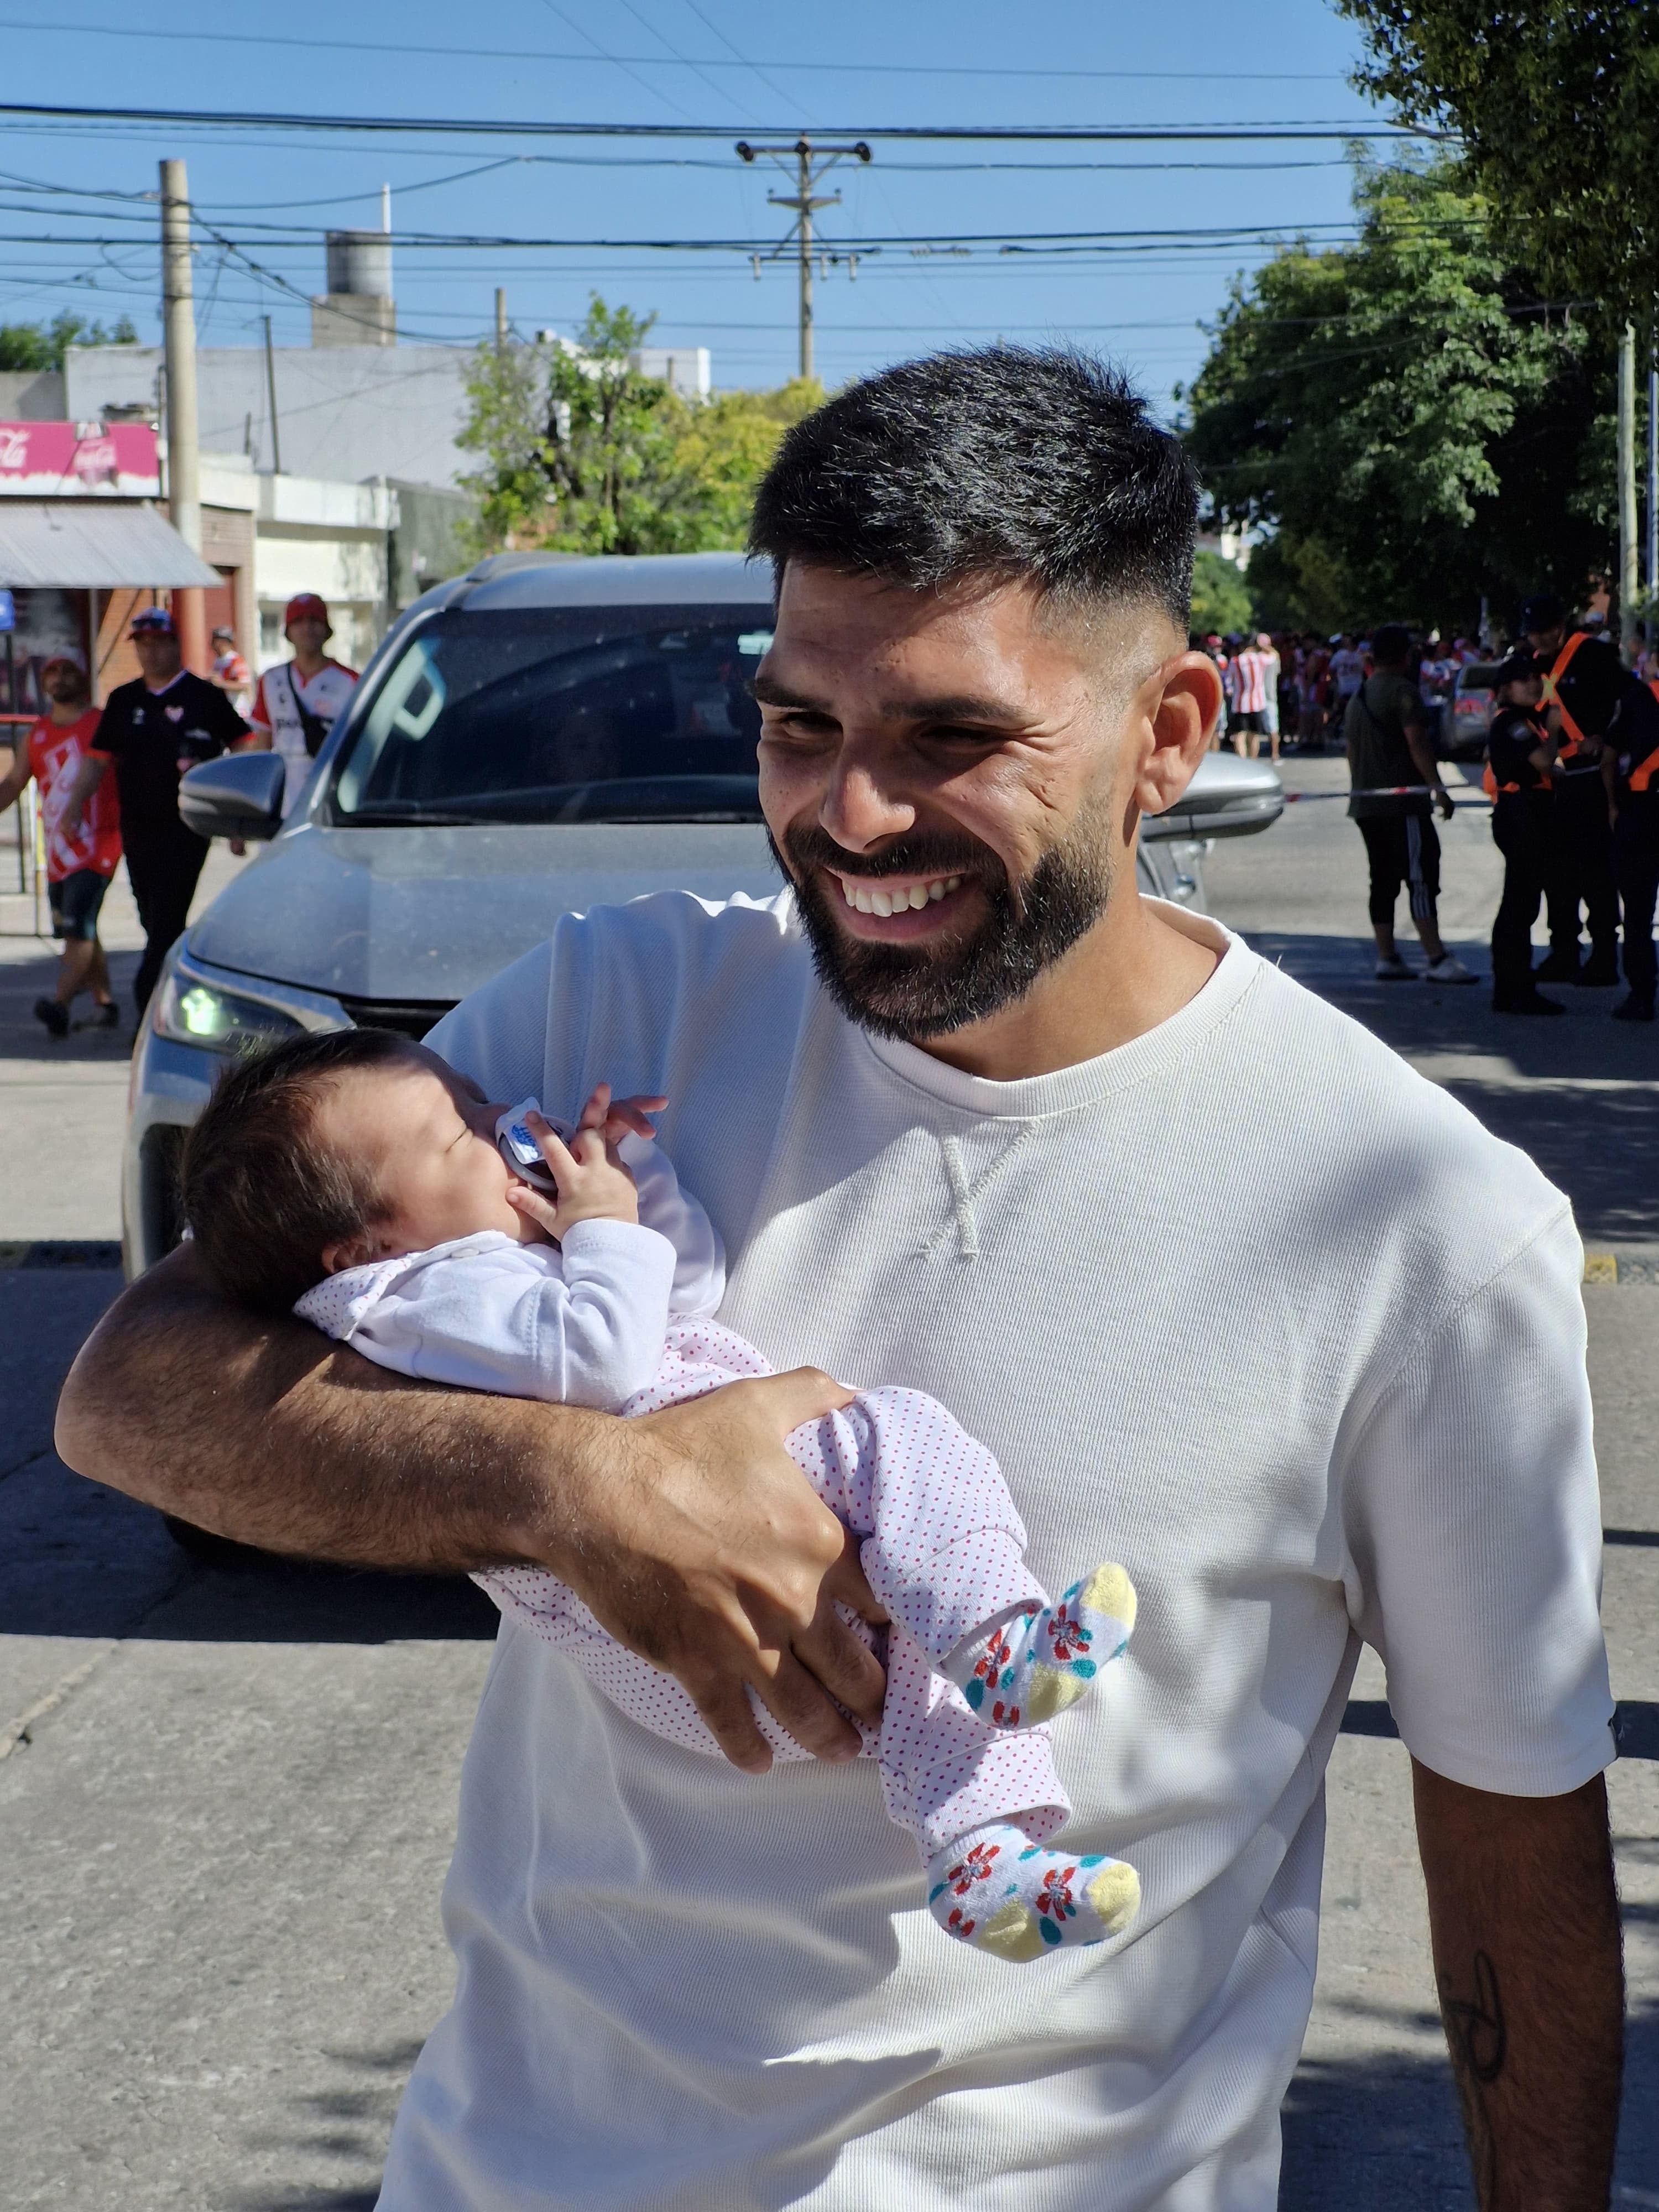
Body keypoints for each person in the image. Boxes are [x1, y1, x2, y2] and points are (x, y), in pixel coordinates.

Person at [57, 349, 1620, 2211]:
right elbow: (128, 1393)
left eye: (951, 742)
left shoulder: (1420, 1225)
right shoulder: (622, 1005)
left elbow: (1511, 1837)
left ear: (1172, 732)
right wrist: (580, 1485)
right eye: (800, 726)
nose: (849, 817)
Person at [182, 1028, 1142, 1962]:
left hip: (741, 1584)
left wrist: (633, 1187)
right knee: (903, 1433)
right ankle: (1000, 1635)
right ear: (359, 1249)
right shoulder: (415, 1298)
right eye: (460, 1138)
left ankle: (982, 1857)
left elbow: (684, 1289)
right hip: (694, 1612)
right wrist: (599, 1227)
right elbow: (601, 1360)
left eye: (476, 1101)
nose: (505, 1125)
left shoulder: (481, 1255)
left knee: (917, 1677)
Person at [63, 606, 249, 1022]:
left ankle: (149, 1007)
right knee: (153, 920)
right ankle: (181, 990)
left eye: (158, 643)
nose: (150, 653)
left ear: (175, 644)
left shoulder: (204, 696)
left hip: (189, 827)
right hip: (138, 828)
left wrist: (238, 814)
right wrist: (73, 807)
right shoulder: (124, 699)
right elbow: (96, 761)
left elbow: (245, 743)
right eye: (142, 645)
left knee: (166, 917)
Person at [1343, 623, 1475, 982]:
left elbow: (1351, 751)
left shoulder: (1361, 694)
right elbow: (1418, 743)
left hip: (1367, 805)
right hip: (1403, 807)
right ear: (1406, 655)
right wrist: (1438, 789)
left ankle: (1387, 956)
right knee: (1420, 878)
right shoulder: (1403, 692)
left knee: (1382, 880)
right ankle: (1436, 958)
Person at [0, 654, 121, 1036]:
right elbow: (15, 782)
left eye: (68, 671)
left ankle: (60, 1004)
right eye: (52, 672)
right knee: (82, 927)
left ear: (83, 679)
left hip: (98, 840)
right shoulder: (35, 735)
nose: (60, 678)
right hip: (57, 850)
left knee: (77, 925)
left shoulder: (100, 723)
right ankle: (105, 1004)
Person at [1521, 593, 1621, 986]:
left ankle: (1604, 955)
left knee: (1595, 870)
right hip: (1554, 780)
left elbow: (1622, 705)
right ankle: (1564, 949)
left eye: (1544, 633)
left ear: (1560, 628)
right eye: (1532, 634)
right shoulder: (1531, 667)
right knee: (1556, 871)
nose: (1538, 641)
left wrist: (1603, 737)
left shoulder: (1595, 655)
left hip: (1592, 778)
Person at [1482, 648, 1562, 1017]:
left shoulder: (1525, 721)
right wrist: (1557, 728)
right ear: (1505, 689)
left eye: (1536, 678)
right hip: (1521, 816)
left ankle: (1512, 986)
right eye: (1523, 679)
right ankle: (1515, 987)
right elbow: (1544, 762)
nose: (1533, 684)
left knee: (1521, 903)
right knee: (1520, 905)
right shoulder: (1513, 723)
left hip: (1529, 814)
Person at [246, 592, 358, 816]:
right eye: (298, 621)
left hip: (331, 791)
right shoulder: (271, 680)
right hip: (284, 797)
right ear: (288, 631)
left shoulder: (351, 682)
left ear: (327, 629)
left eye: (314, 621)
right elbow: (262, 747)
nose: (307, 628)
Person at [1600, 655, 1659, 1022]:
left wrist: (1612, 805)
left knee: (1638, 912)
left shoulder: (1638, 698)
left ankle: (1641, 995)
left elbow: (1609, 758)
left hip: (1642, 814)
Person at [209, 625, 250, 715]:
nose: (212, 645)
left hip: (238, 711)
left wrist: (221, 684)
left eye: (215, 641)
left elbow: (245, 686)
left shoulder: (235, 660)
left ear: (224, 642)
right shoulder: (218, 662)